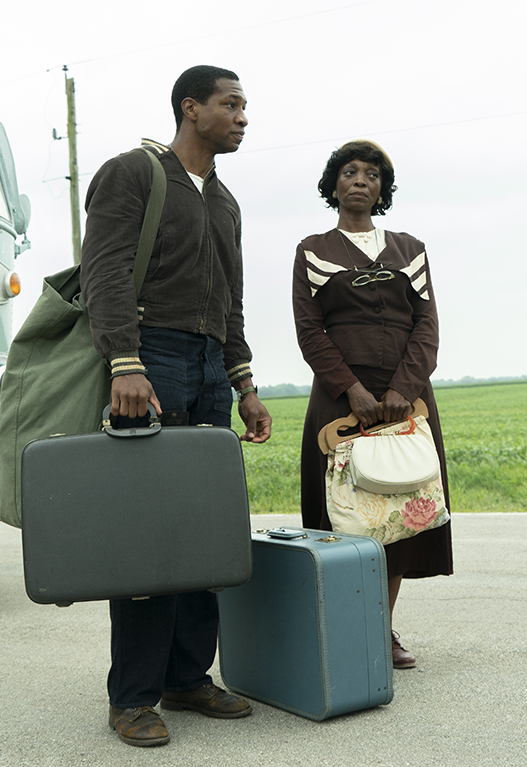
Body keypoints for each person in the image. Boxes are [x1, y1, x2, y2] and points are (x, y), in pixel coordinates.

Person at [80, 65, 272, 748]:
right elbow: (103, 268)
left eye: (245, 106)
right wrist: (124, 361)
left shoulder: (225, 202)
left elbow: (231, 301)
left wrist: (244, 383)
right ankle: (133, 696)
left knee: (202, 528)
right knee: (147, 531)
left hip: (209, 365)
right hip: (148, 356)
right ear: (191, 108)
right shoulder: (133, 172)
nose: (243, 117)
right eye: (231, 104)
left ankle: (187, 678)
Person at [292, 140, 453, 669]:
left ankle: (380, 631)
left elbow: (427, 326)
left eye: (372, 174)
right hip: (339, 403)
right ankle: (344, 633)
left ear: (383, 189)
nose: (360, 180)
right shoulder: (312, 249)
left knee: (398, 511)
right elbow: (309, 331)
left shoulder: (410, 248)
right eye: (349, 172)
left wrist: (404, 387)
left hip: (407, 400)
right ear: (333, 185)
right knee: (345, 516)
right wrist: (350, 389)